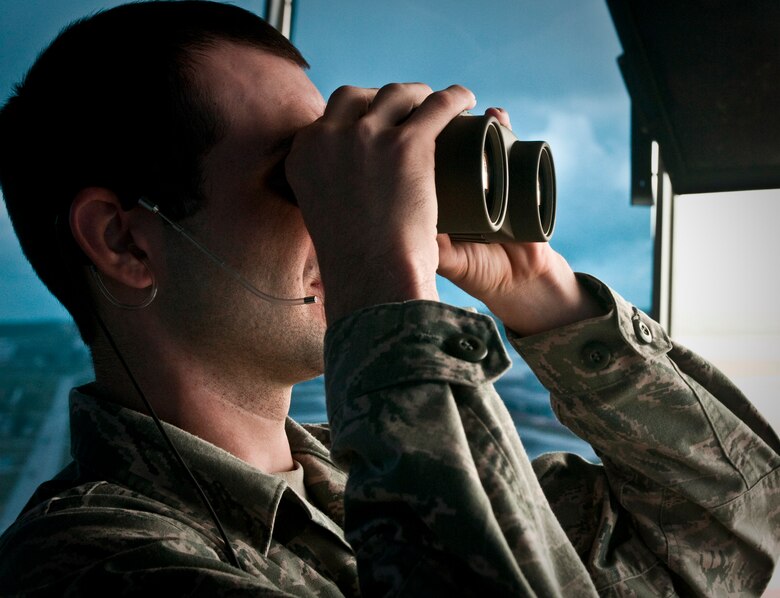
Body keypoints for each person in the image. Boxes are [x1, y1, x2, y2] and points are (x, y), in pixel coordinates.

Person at [0, 1, 777, 595]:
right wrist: (383, 288)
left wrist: (548, 300)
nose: (344, 208)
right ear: (126, 242)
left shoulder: (357, 482)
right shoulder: (91, 562)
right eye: (298, 174)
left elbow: (732, 530)